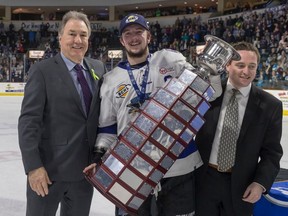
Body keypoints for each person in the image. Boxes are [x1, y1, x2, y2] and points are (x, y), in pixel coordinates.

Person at [83, 13, 222, 216]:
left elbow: (209, 94)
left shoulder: (170, 59)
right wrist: (99, 155)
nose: (134, 37)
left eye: (139, 32)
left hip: (179, 165)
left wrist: (213, 73)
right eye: (128, 34)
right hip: (132, 168)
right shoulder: (110, 80)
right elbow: (108, 127)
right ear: (122, 41)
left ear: (149, 36)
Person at [18, 11, 106, 216]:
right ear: (60, 37)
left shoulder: (98, 68)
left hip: (84, 175)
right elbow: (28, 122)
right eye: (72, 34)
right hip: (48, 174)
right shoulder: (42, 71)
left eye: (83, 35)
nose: (78, 40)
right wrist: (33, 167)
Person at [194, 41, 283, 216]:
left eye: (252, 66)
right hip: (204, 181)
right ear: (227, 65)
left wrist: (260, 183)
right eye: (240, 65)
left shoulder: (270, 105)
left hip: (242, 186)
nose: (246, 72)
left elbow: (272, 153)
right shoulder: (208, 94)